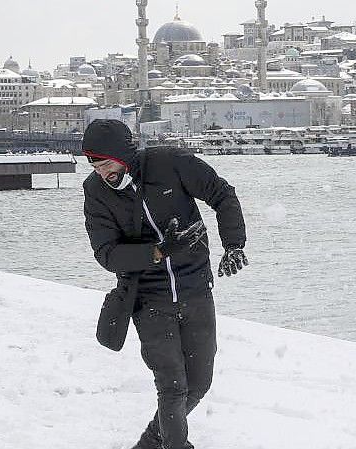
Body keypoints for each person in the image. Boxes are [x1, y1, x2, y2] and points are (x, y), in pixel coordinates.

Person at [81, 119, 248, 449]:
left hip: (196, 288)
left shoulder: (169, 163)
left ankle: (148, 444)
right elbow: (106, 253)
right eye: (96, 167)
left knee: (199, 383)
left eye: (106, 164)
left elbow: (222, 195)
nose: (103, 173)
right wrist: (156, 252)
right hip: (148, 298)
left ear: (123, 154)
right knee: (172, 386)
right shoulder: (96, 191)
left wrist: (234, 244)